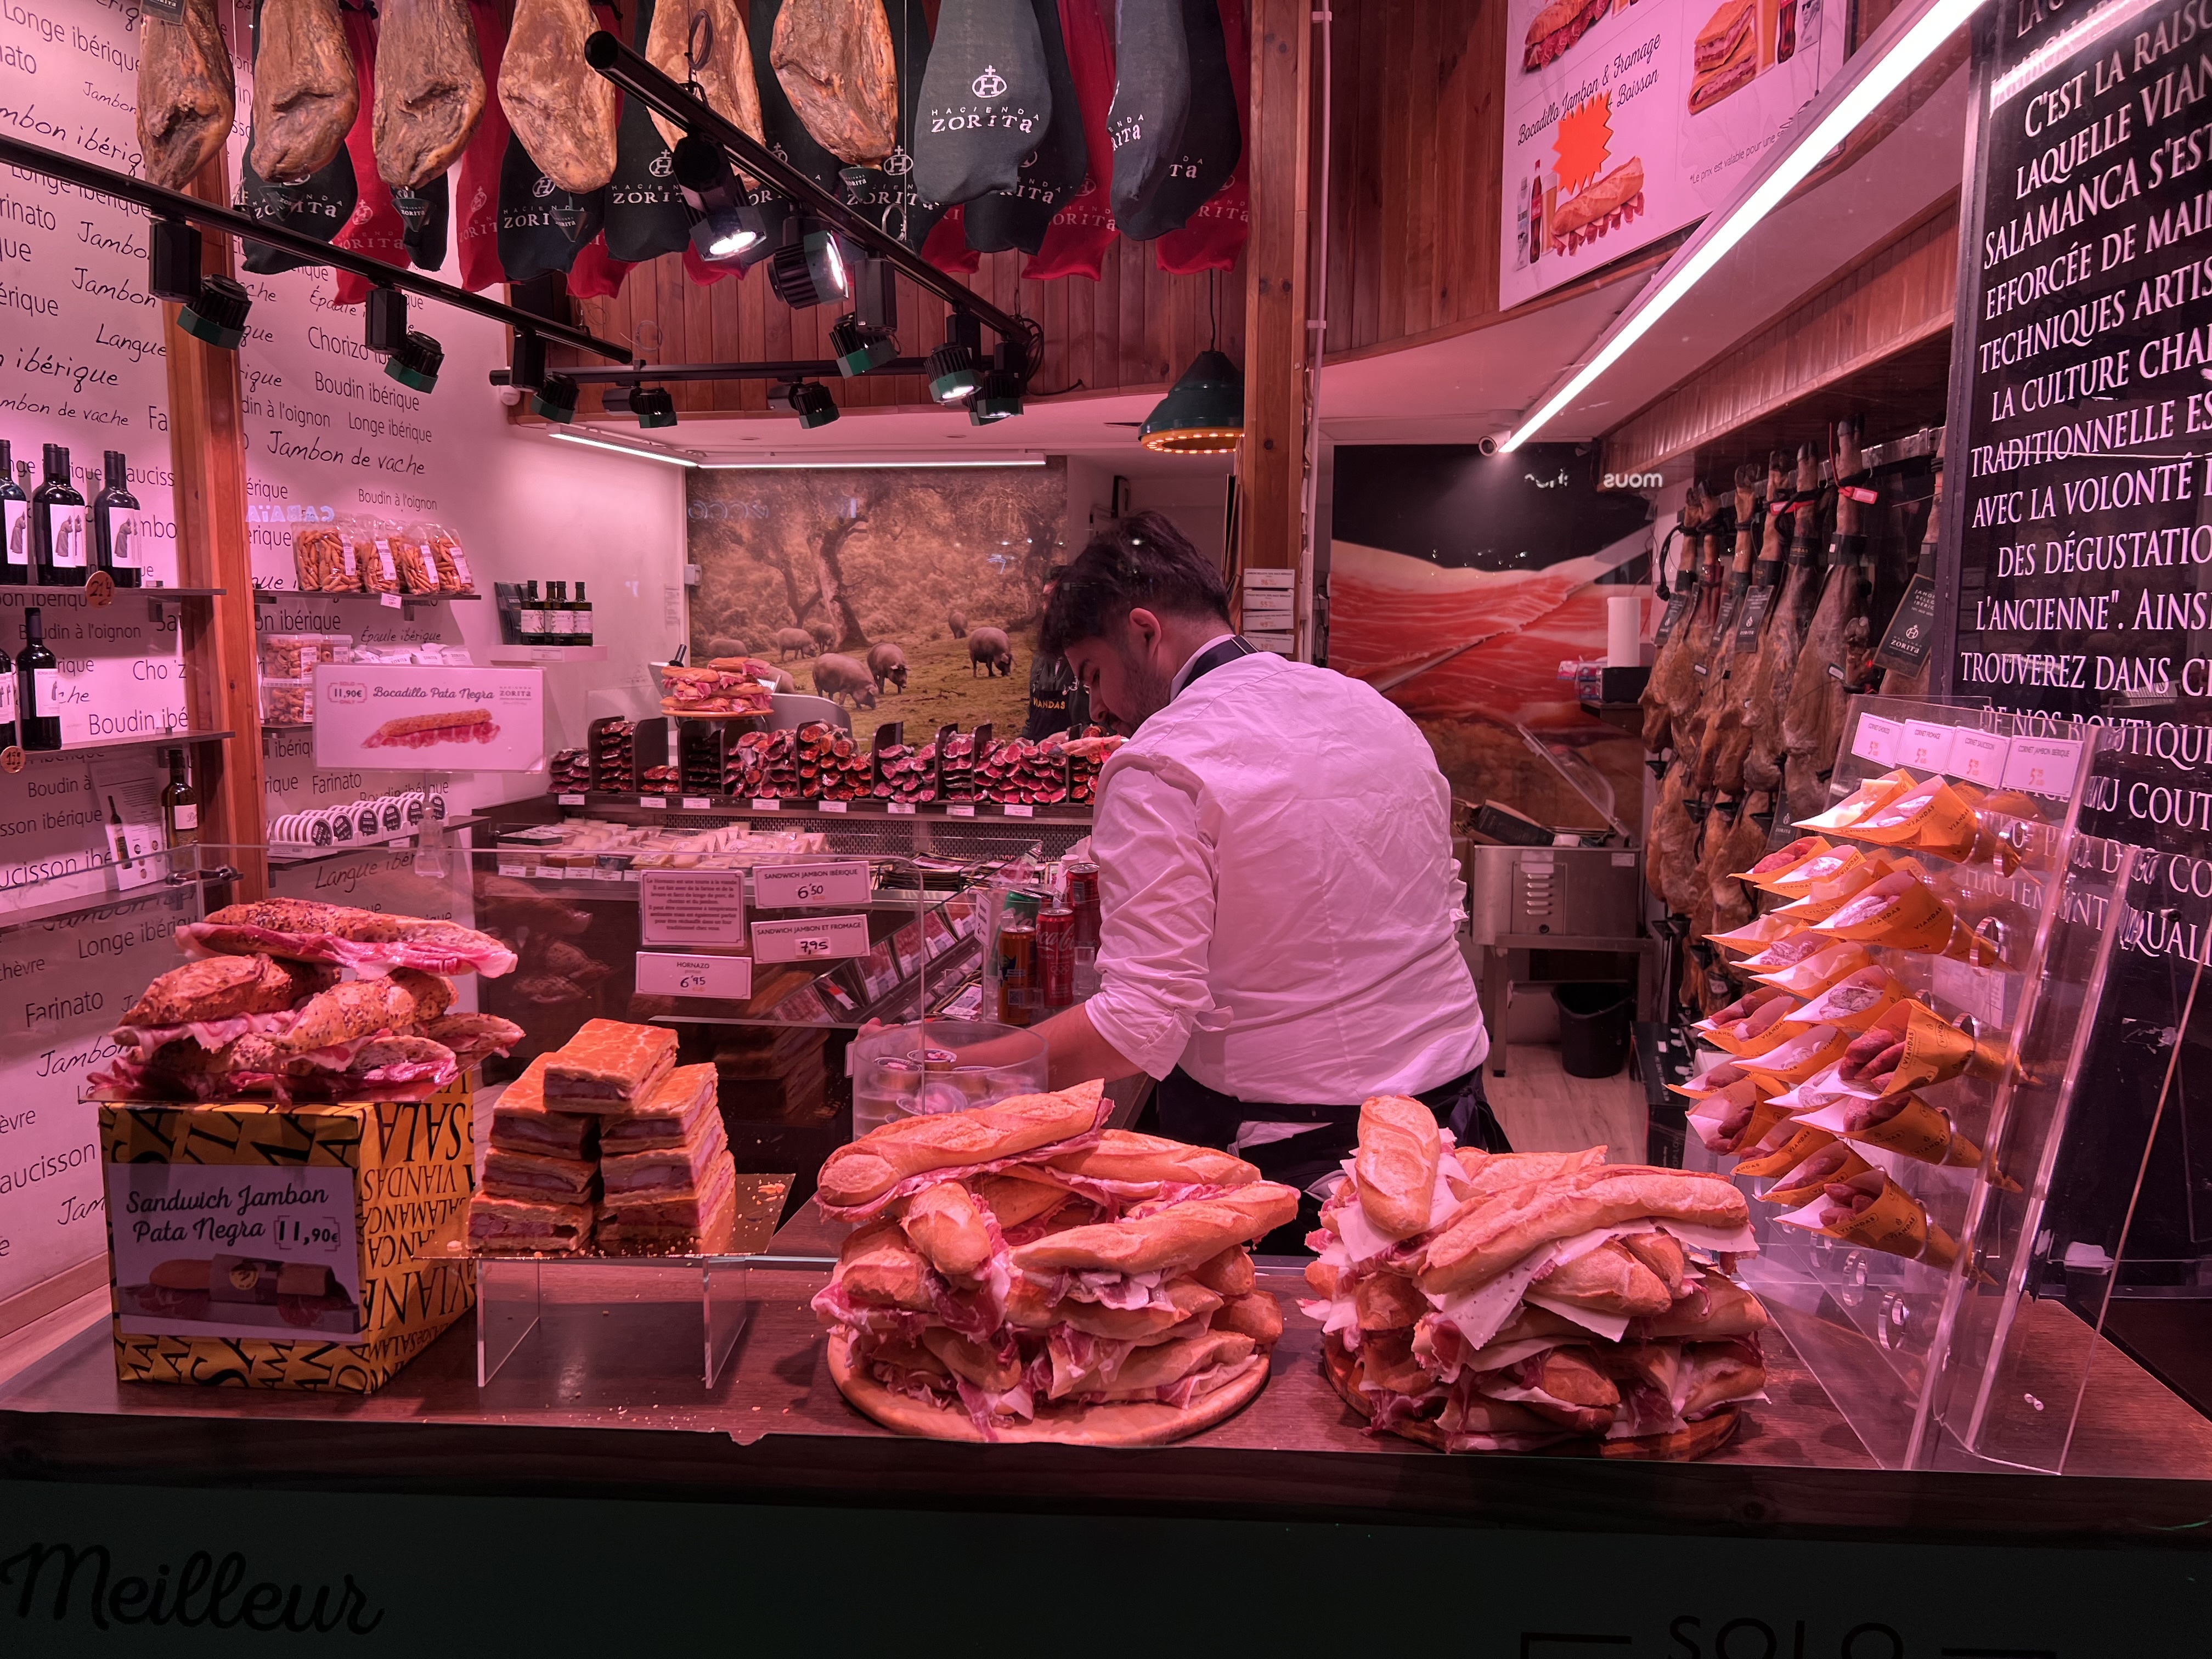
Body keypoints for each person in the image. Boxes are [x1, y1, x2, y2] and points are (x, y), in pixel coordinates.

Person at [1011, 511, 1505, 1237]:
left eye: (1094, 675)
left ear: (1145, 632)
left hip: (1303, 1161)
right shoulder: (1372, 708)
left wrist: (967, 1073)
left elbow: (1139, 1026)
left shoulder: (1160, 762)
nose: (1100, 708)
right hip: (1455, 1124)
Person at [1020, 570, 1091, 740]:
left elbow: (1110, 729)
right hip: (1040, 755)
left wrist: (1068, 738)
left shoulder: (1095, 658)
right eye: (1046, 599)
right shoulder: (1041, 658)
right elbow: (1033, 721)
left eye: (1058, 599)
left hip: (1080, 756)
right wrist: (1022, 740)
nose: (1049, 607)